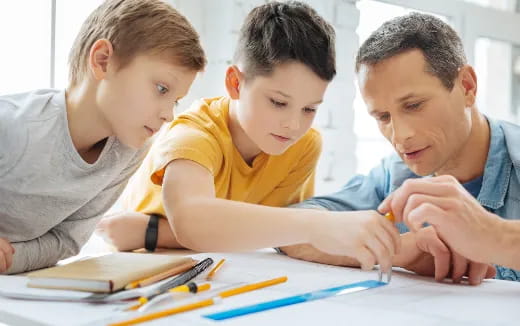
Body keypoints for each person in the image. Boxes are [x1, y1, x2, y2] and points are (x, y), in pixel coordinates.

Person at [96, 1, 401, 273]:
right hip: (144, 273)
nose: (293, 125)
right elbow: (195, 222)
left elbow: (281, 237)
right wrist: (321, 224)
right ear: (235, 83)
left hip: (223, 273)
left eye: (309, 108)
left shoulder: (304, 145)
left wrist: (153, 231)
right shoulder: (194, 133)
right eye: (278, 103)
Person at [282, 12, 510, 284]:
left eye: (414, 105)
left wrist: (494, 236)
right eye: (383, 117)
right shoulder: (394, 177)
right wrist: (397, 249)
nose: (400, 136)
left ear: (467, 87)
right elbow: (289, 229)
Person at [0, 0, 206, 274]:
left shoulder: (129, 151)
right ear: (102, 61)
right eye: (161, 88)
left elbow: (66, 241)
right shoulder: (14, 126)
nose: (168, 115)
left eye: (176, 101)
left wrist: (10, 259)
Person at [380, 175, 520, 273]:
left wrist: (499, 236)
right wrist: (401, 248)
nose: (400, 136)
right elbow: (359, 236)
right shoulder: (391, 171)